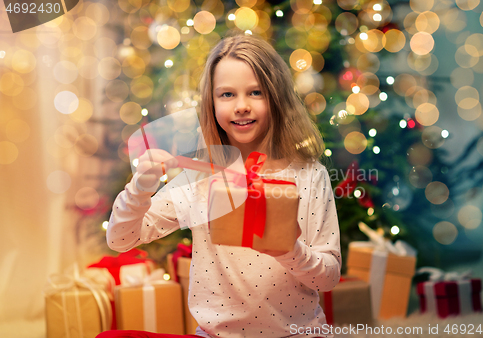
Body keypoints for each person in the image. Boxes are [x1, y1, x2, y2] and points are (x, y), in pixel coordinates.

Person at [99, 34, 341, 338]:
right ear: (211, 103)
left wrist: (289, 250)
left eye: (256, 92)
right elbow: (120, 240)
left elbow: (329, 278)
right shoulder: (198, 176)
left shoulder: (309, 175)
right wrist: (140, 187)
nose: (241, 106)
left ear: (277, 99)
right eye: (227, 95)